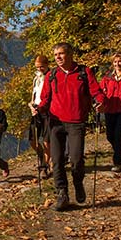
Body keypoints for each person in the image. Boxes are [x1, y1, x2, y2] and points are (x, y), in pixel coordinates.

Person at [38, 43, 105, 211]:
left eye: (61, 54)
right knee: (57, 160)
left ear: (70, 54)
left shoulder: (84, 72)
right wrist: (37, 108)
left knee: (76, 160)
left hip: (76, 122)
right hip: (55, 123)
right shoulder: (51, 75)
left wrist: (100, 102)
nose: (58, 58)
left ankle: (78, 182)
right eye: (55, 55)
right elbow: (45, 99)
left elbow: (96, 91)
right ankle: (62, 194)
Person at [28, 55, 51, 179]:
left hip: (47, 111)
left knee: (47, 140)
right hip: (36, 110)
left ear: (47, 65)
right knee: (33, 140)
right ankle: (42, 157)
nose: (40, 69)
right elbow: (33, 96)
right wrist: (31, 106)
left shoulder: (51, 77)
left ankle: (45, 166)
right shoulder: (36, 78)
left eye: (42, 66)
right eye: (37, 67)